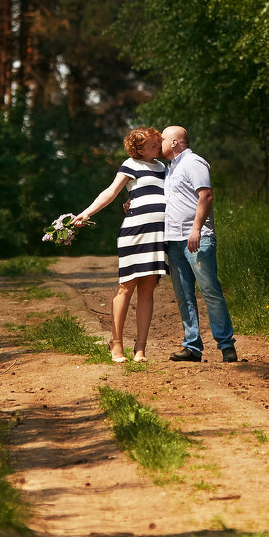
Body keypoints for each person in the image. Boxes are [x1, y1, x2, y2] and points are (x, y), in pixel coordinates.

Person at [73, 127, 166, 363]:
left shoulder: (164, 168)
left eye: (158, 141)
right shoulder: (130, 165)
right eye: (154, 143)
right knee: (127, 287)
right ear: (139, 149)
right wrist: (86, 213)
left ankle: (141, 349)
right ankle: (116, 345)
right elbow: (111, 192)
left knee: (147, 289)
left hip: (158, 235)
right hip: (135, 234)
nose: (159, 144)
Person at [160, 125, 238, 363]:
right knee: (184, 295)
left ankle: (226, 346)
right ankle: (192, 346)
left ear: (174, 142)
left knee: (210, 291)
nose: (158, 142)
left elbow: (206, 195)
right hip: (173, 241)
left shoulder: (194, 162)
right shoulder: (169, 169)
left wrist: (196, 229)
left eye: (162, 138)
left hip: (197, 238)